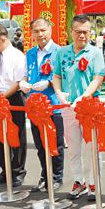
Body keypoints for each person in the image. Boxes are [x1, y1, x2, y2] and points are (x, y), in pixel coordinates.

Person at [52, 14, 105, 201]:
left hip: (90, 107)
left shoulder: (95, 53)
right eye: (78, 32)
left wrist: (84, 97)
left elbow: (98, 78)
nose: (82, 35)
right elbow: (56, 76)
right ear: (71, 32)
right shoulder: (62, 52)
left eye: (86, 32)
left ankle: (93, 183)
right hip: (68, 107)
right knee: (74, 147)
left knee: (92, 147)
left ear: (90, 33)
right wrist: (59, 92)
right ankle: (79, 180)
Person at [19, 18, 64, 192]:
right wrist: (23, 82)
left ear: (50, 30)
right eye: (36, 31)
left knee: (55, 144)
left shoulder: (59, 52)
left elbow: (62, 77)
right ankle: (45, 175)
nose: (40, 34)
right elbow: (26, 75)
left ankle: (56, 177)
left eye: (43, 30)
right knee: (40, 144)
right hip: (34, 106)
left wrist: (49, 83)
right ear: (31, 33)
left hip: (52, 105)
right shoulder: (30, 53)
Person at [0, 24, 27, 186]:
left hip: (12, 99)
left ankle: (17, 171)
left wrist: (2, 97)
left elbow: (18, 82)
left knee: (16, 136)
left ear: (3, 39)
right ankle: (5, 169)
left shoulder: (17, 56)